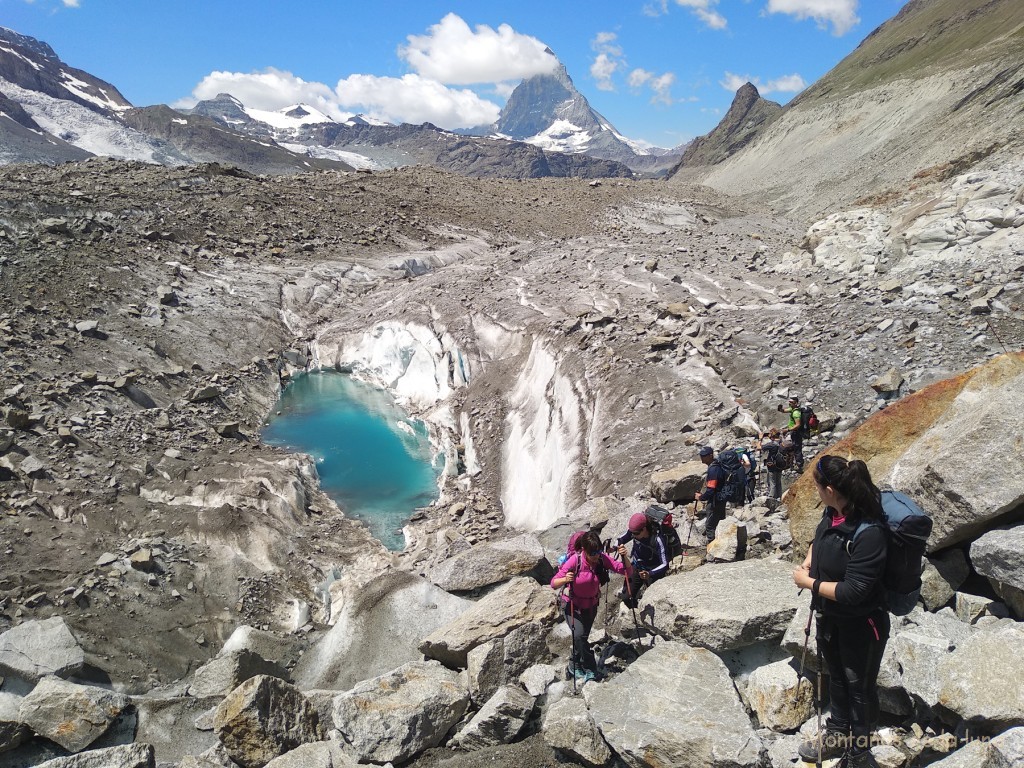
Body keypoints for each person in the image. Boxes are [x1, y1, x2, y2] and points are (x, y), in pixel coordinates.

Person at [792, 455, 889, 768]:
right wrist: (810, 558)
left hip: (862, 622)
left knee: (858, 684)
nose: (816, 492)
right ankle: (837, 732)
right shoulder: (833, 511)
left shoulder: (869, 531)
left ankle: (860, 752)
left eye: (818, 487)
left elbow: (853, 591)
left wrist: (809, 582)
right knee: (836, 676)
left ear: (830, 489)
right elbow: (821, 533)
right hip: (830, 618)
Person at [551, 530, 630, 683]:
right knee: (580, 636)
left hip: (591, 605)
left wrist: (624, 556)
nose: (596, 555)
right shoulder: (575, 560)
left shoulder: (601, 558)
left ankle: (573, 665)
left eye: (599, 551)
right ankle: (591, 669)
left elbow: (625, 570)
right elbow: (553, 583)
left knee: (582, 638)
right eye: (593, 552)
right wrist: (565, 579)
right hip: (571, 604)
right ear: (584, 551)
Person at [616, 512, 669, 608]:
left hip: (652, 571)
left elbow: (665, 564)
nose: (633, 535)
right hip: (637, 567)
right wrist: (614, 547)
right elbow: (620, 539)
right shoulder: (634, 532)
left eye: (636, 533)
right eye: (632, 533)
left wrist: (650, 573)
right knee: (626, 597)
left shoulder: (657, 540)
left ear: (644, 529)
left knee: (654, 600)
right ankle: (636, 610)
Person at [694, 445, 728, 541]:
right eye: (701, 455)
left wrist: (700, 497)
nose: (702, 457)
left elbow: (710, 490)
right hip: (721, 498)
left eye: (704, 455)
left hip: (715, 501)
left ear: (710, 455)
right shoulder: (716, 465)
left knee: (710, 526)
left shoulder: (713, 470)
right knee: (720, 522)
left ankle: (712, 548)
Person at [780, 396, 806, 472]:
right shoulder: (792, 409)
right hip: (793, 432)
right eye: (789, 402)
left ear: (796, 403)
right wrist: (780, 409)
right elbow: (784, 411)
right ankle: (795, 463)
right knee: (794, 447)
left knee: (797, 448)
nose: (789, 403)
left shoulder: (796, 413)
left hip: (796, 432)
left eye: (791, 402)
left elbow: (798, 425)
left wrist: (787, 429)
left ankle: (799, 466)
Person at [759, 427, 785, 500]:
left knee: (772, 482)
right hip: (780, 464)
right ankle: (779, 497)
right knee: (778, 482)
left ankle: (771, 497)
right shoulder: (781, 442)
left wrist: (760, 439)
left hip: (772, 465)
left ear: (772, 435)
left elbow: (759, 447)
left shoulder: (772, 444)